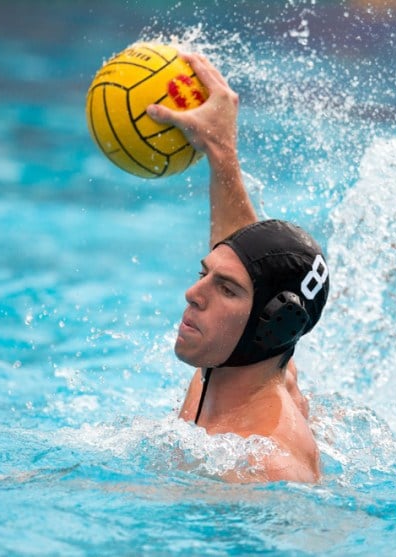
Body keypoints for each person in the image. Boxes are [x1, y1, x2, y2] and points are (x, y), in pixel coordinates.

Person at [145, 53, 329, 483]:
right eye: (202, 273)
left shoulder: (264, 468)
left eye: (225, 289)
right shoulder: (243, 363)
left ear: (271, 324)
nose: (194, 294)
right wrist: (219, 147)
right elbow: (249, 261)